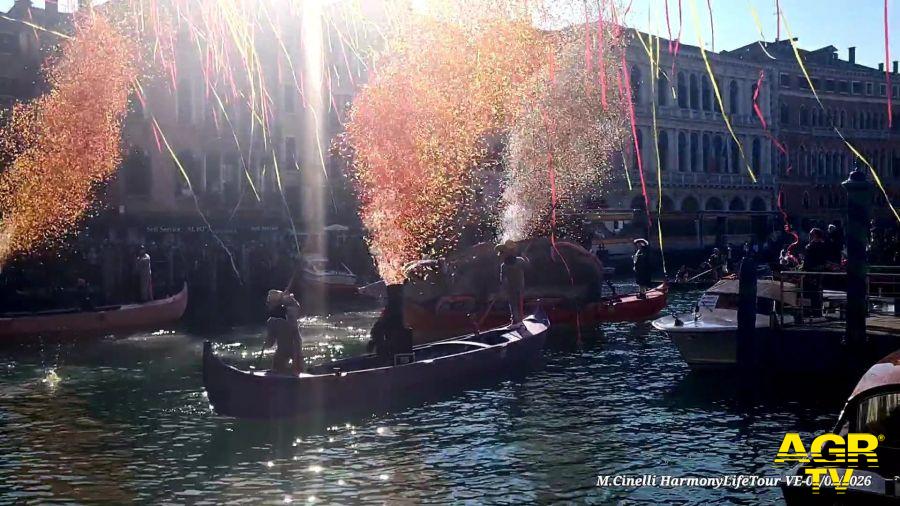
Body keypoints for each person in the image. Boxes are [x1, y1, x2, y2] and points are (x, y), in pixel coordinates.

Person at [264, 289, 304, 375]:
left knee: (293, 371)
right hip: (289, 349)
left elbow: (269, 343)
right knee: (279, 367)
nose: (268, 306)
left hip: (293, 349)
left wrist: (266, 341)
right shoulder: (288, 313)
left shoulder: (287, 314)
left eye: (269, 303)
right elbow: (296, 307)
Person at [496, 240, 529, 324]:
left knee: (518, 303)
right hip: (510, 288)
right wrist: (502, 288)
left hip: (519, 286)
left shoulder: (519, 261)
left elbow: (528, 267)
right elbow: (502, 278)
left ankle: (519, 320)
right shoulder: (504, 266)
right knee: (513, 304)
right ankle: (515, 320)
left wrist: (525, 257)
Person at [802, 228, 829, 317]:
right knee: (810, 292)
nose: (809, 237)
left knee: (814, 292)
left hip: (815, 272)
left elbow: (821, 260)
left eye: (811, 235)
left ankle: (815, 311)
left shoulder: (818, 246)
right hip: (811, 271)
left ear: (816, 236)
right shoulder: (815, 246)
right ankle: (811, 311)